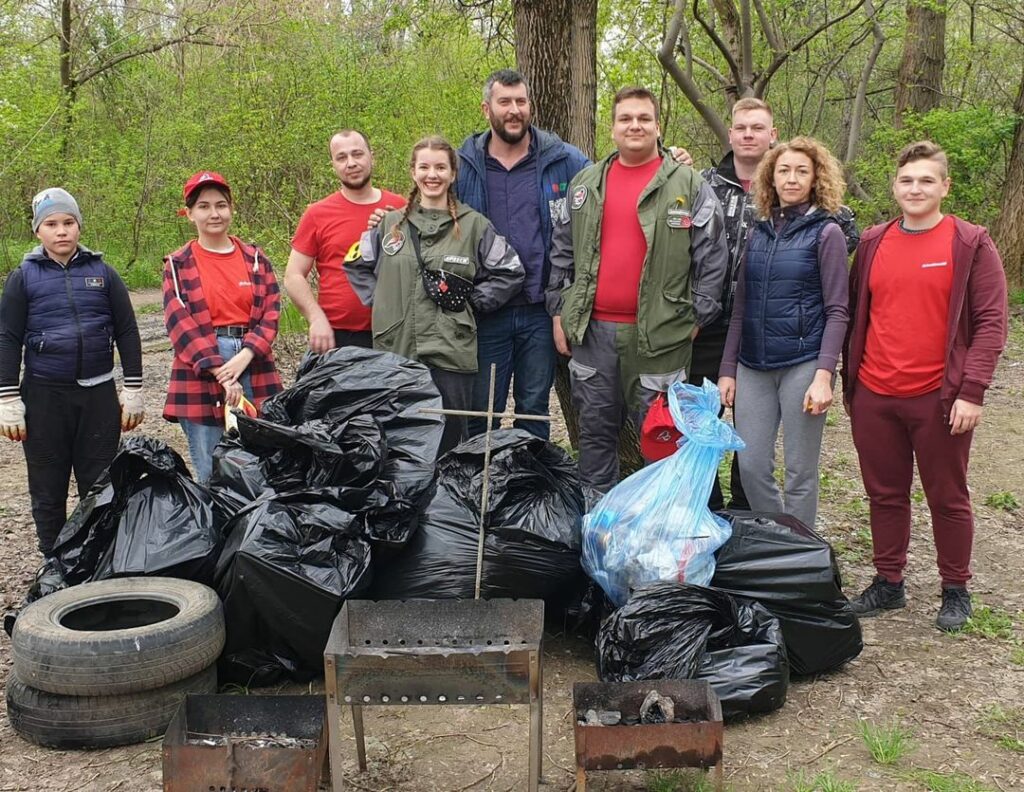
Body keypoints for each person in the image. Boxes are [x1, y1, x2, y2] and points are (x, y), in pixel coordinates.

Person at [842, 141, 1008, 631]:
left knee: (947, 494)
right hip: (874, 393)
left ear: (945, 187)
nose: (916, 189)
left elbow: (991, 323)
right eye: (907, 180)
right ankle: (888, 582)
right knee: (884, 493)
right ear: (895, 187)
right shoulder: (872, 242)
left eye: (926, 180)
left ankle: (955, 588)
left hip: (940, 397)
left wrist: (972, 390)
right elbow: (854, 316)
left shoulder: (970, 242)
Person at [547, 86, 729, 494]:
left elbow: (713, 256)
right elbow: (561, 252)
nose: (635, 126)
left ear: (657, 126)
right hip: (592, 334)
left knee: (662, 439)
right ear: (612, 128)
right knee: (594, 437)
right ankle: (599, 528)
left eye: (643, 118)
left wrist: (696, 317)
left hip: (661, 339)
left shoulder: (688, 184)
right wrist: (559, 313)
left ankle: (660, 532)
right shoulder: (585, 186)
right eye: (625, 118)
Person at [696, 98, 859, 511]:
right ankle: (773, 538)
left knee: (800, 471)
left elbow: (838, 309)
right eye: (784, 170)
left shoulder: (828, 233)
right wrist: (729, 369)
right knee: (751, 466)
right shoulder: (761, 232)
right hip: (752, 361)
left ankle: (799, 553)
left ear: (815, 177)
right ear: (772, 176)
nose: (791, 178)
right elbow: (741, 309)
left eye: (801, 171)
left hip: (802, 361)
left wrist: (825, 374)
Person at [346, 136, 525, 455]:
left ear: (453, 174)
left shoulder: (475, 227)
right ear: (413, 172)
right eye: (424, 167)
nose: (433, 174)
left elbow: (510, 271)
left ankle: (444, 504)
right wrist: (383, 303)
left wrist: (474, 303)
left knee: (447, 443)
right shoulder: (389, 224)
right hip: (396, 350)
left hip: (451, 353)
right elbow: (355, 264)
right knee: (397, 440)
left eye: (441, 167)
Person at [0, 188, 144, 555]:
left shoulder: (103, 273)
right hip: (44, 396)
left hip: (97, 396)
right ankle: (54, 560)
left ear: (79, 226)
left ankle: (97, 557)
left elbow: (126, 330)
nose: (61, 231)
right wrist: (8, 397)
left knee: (99, 485)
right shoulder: (23, 278)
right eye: (51, 224)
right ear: (38, 231)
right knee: (47, 488)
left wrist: (133, 388)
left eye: (68, 222)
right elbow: (8, 337)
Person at [456, 69, 590, 440]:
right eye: (505, 102)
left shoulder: (563, 160)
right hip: (485, 313)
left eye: (521, 101)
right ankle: (480, 489)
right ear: (487, 109)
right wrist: (388, 218)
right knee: (482, 413)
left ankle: (529, 490)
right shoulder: (463, 165)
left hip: (540, 312)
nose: (514, 110)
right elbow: (429, 210)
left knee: (534, 410)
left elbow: (609, 185)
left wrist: (666, 160)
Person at [163, 171, 283, 483]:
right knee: (212, 470)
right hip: (201, 367)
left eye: (220, 205)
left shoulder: (256, 259)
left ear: (231, 209)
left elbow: (271, 312)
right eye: (203, 206)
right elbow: (180, 324)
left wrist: (245, 355)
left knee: (262, 465)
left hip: (253, 362)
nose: (214, 213)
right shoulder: (177, 265)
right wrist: (220, 372)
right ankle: (215, 531)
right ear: (189, 214)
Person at [284, 130, 406, 352]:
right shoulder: (317, 214)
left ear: (372, 156)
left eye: (357, 154)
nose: (351, 163)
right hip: (337, 336)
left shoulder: (400, 207)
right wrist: (316, 318)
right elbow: (293, 276)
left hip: (395, 333)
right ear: (333, 165)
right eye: (341, 157)